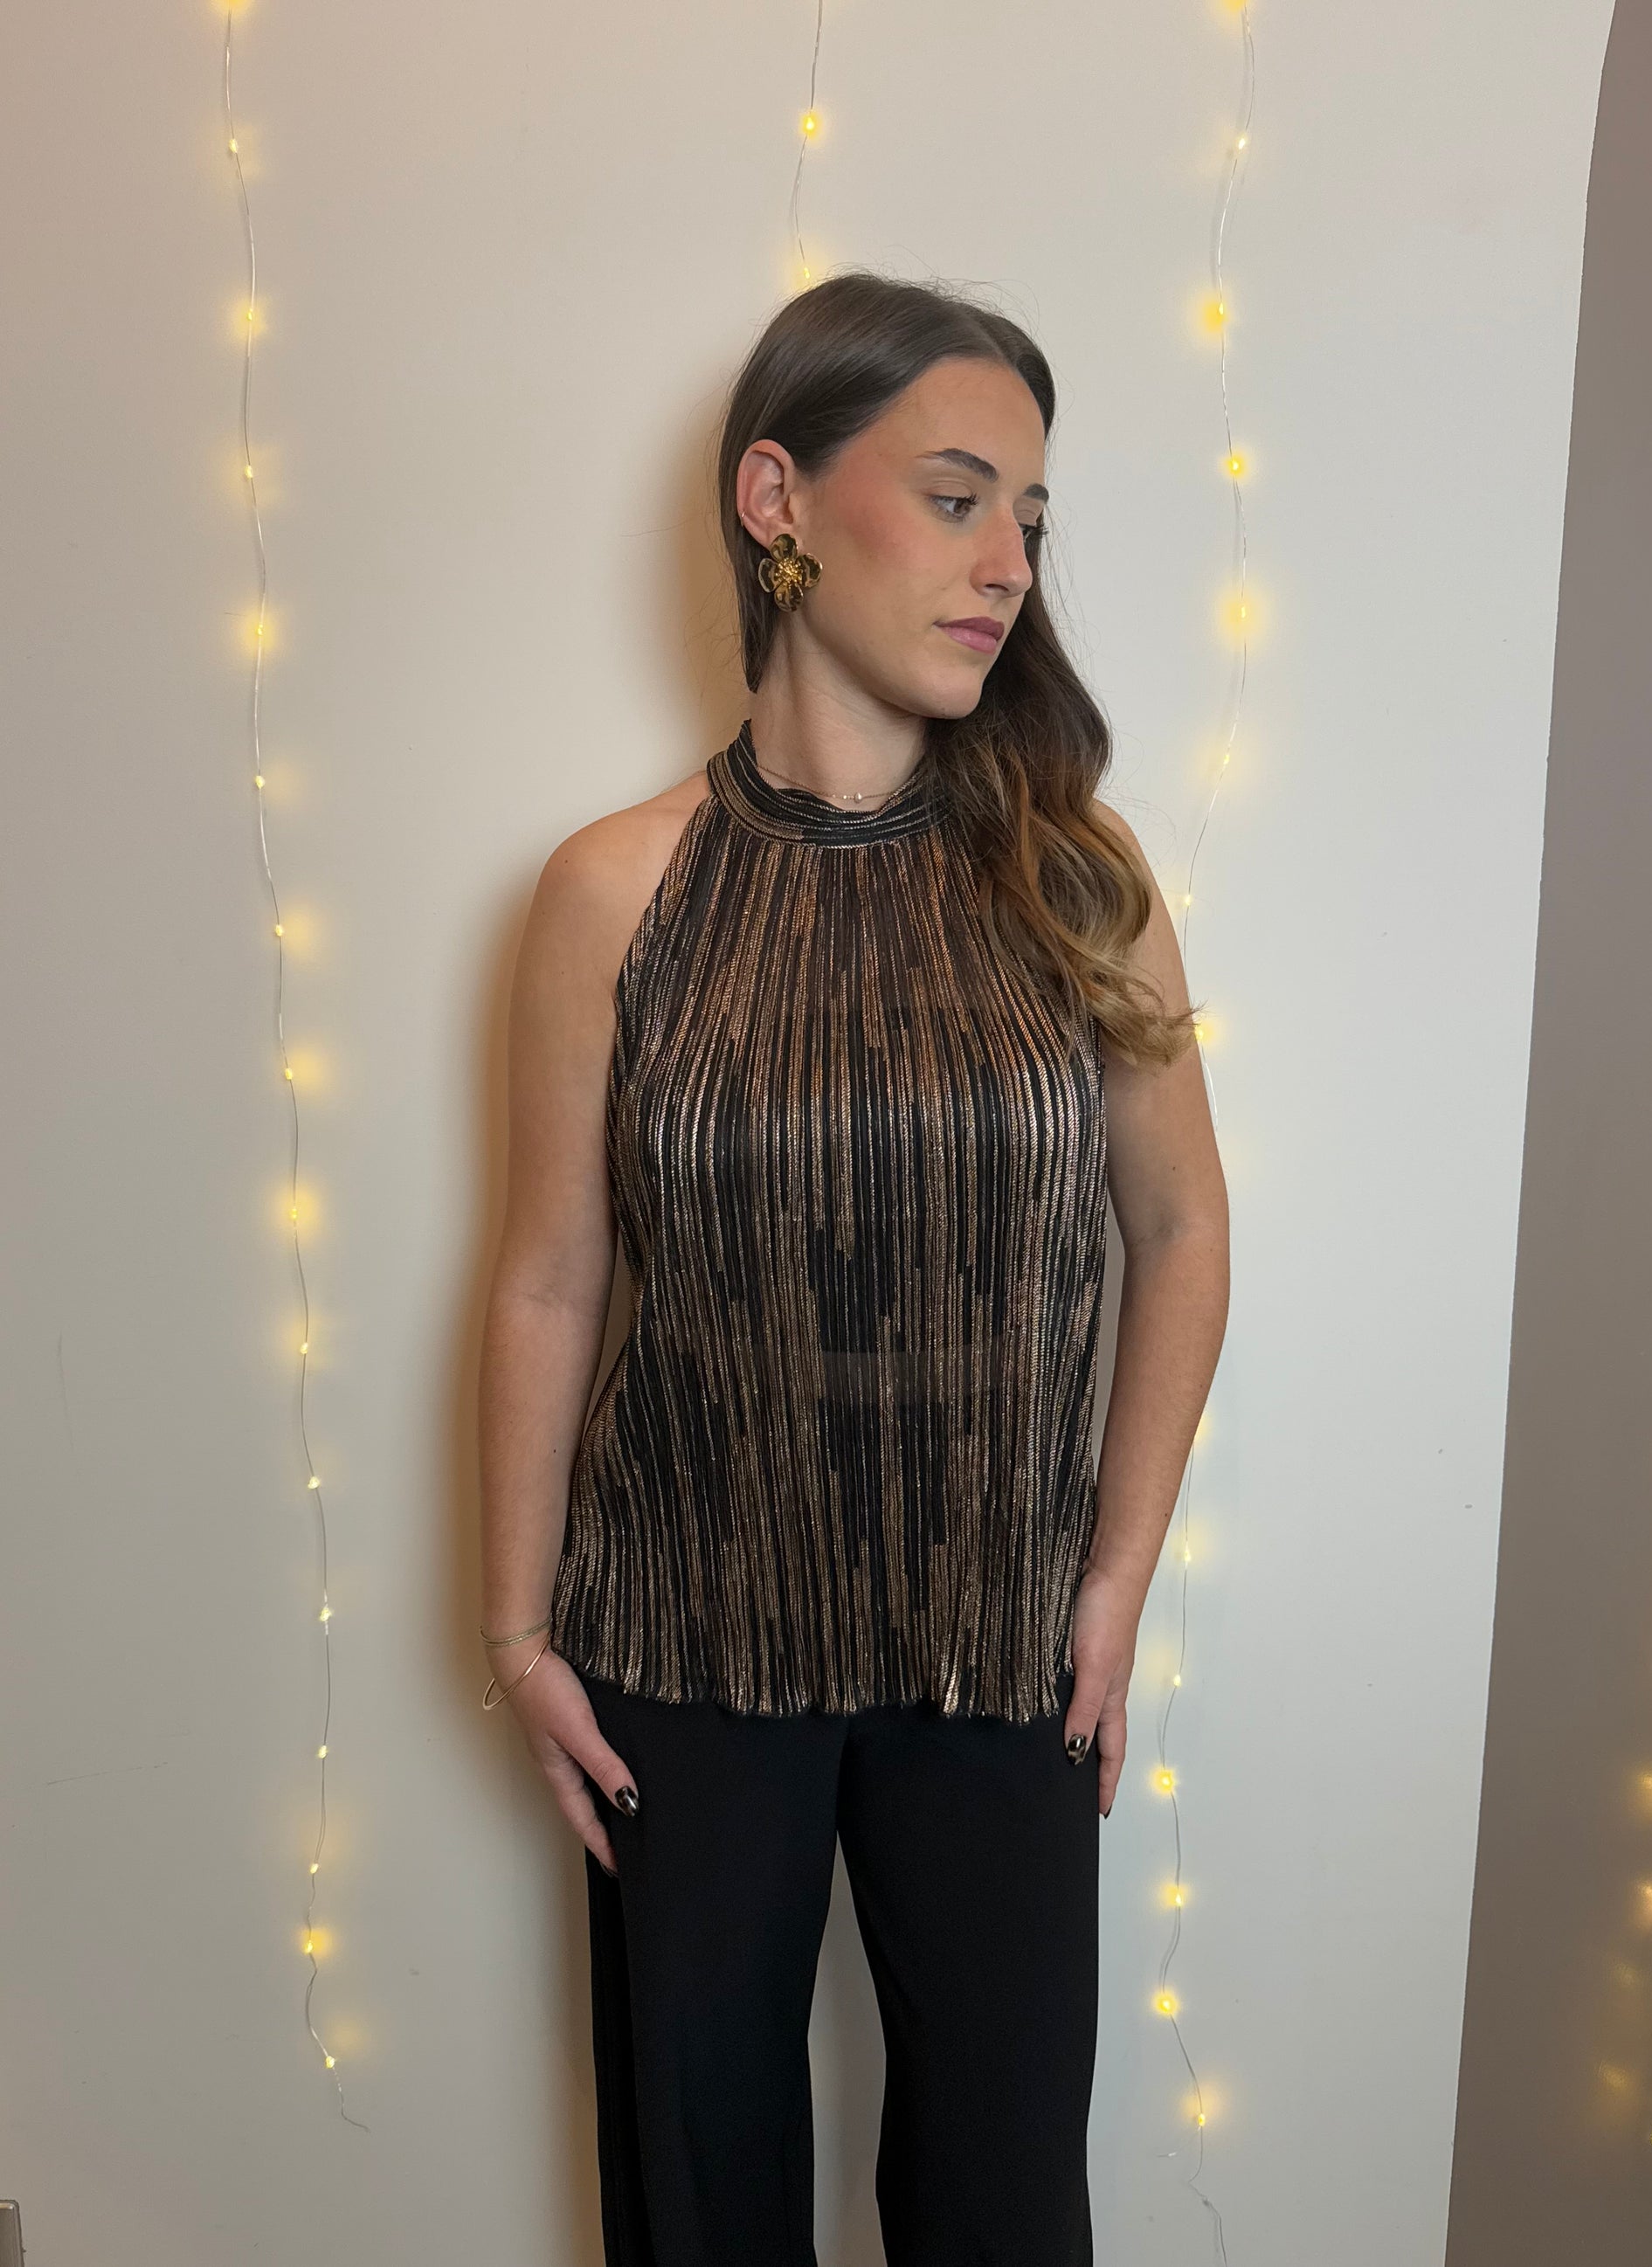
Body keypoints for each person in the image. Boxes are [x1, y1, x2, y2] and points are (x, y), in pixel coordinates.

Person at [475, 269, 1230, 2266]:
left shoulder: (1077, 875)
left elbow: (1179, 1228)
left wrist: (1110, 1579)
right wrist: (517, 1628)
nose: (1007, 565)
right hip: (681, 1638)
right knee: (699, 2192)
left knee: (1003, 2200)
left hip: (995, 1642)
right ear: (777, 500)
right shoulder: (612, 888)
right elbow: (548, 1273)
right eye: (958, 497)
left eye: (1030, 519)